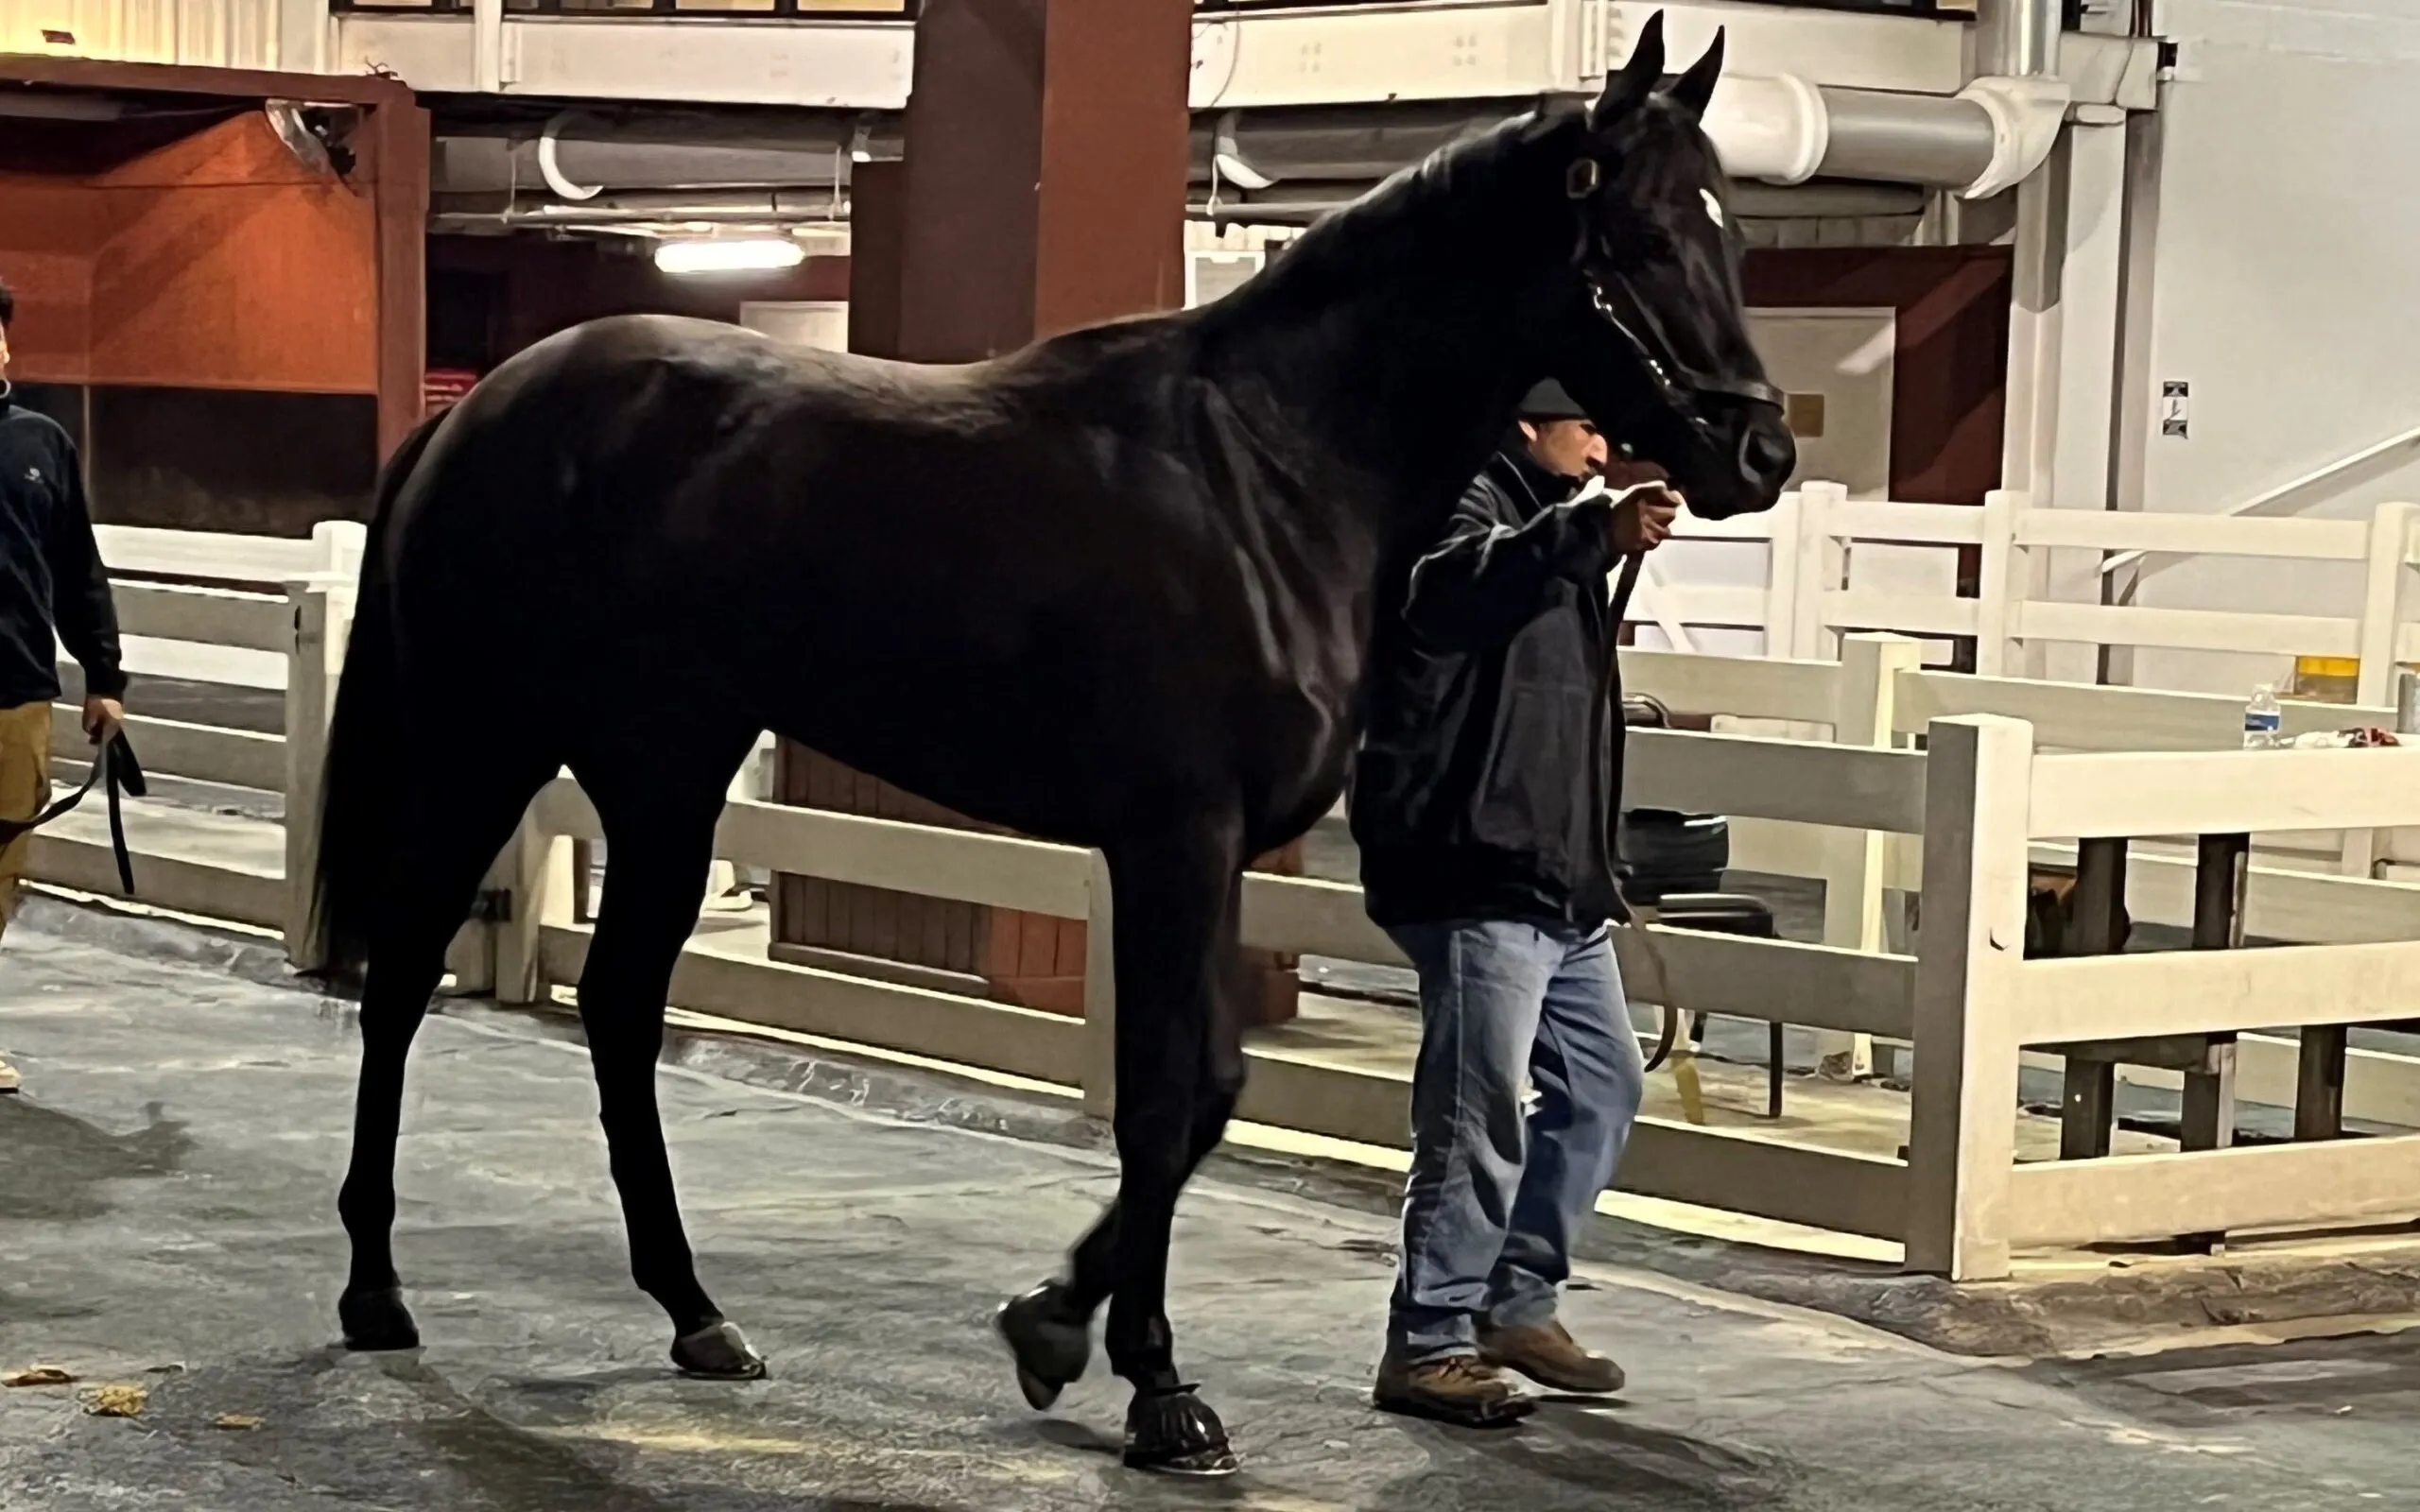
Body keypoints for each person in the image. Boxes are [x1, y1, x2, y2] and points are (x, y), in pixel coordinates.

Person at [1351, 378, 1678, 1425]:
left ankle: (1513, 1300)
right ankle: (1430, 1338)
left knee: (1599, 1087)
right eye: (1586, 426)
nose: (1602, 447)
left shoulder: (1552, 536)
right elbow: (1451, 591)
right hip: (1474, 866)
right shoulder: (1459, 510)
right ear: (1526, 425)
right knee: (1474, 1110)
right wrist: (1588, 532)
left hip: (1552, 874)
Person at [0, 276, 127, 1093]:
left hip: (14, 691)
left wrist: (104, 675)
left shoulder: (41, 443)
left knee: (0, 868)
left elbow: (78, 567)